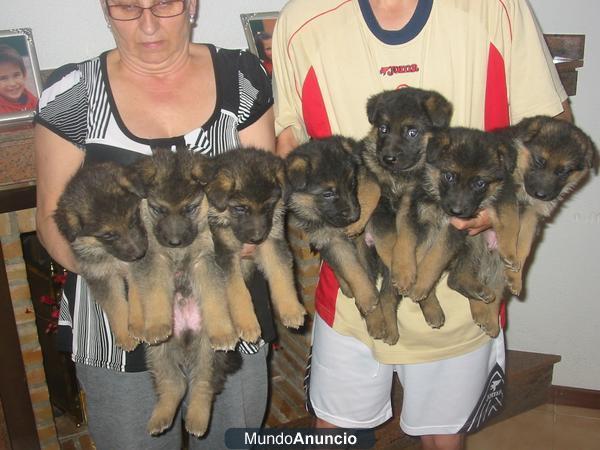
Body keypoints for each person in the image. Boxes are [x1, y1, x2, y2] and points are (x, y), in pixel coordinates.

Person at [272, 1, 571, 449]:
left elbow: (554, 133)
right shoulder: (302, 21)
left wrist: (503, 209)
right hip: (354, 285)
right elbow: (287, 145)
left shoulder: (496, 9)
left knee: (442, 436)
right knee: (335, 430)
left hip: (456, 277)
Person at [34, 1, 276, 449]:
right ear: (106, 10)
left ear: (192, 5)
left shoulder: (240, 76)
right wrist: (131, 280)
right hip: (121, 326)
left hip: (224, 308)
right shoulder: (72, 92)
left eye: (163, 3)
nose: (147, 24)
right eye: (127, 7)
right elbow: (50, 219)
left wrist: (233, 252)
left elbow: (266, 195)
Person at [0, 43, 38, 113]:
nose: (12, 83)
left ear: (24, 75)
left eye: (16, 75)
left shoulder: (31, 99)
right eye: (3, 78)